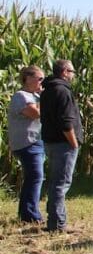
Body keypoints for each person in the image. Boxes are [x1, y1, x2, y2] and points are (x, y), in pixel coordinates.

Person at [40, 58, 82, 234]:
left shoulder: (47, 90)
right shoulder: (62, 91)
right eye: (72, 72)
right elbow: (66, 122)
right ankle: (57, 224)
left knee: (56, 182)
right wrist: (73, 143)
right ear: (64, 72)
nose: (73, 75)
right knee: (61, 183)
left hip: (50, 141)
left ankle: (54, 219)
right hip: (63, 143)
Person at [8, 65, 45, 225]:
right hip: (27, 143)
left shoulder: (34, 96)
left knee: (33, 177)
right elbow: (35, 113)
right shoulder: (21, 96)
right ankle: (30, 215)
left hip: (35, 142)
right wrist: (44, 99)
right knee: (36, 176)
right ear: (28, 79)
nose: (42, 82)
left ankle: (26, 213)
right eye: (40, 79)